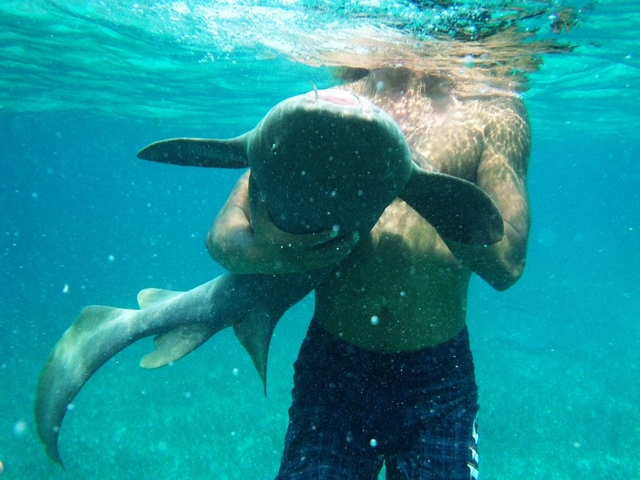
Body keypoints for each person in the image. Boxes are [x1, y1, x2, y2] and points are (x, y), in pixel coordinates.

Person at [207, 67, 531, 479]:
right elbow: (223, 236)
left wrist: (416, 178)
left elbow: (507, 264)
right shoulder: (335, 104)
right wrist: (270, 256)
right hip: (335, 369)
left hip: (437, 378)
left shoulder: (495, 109)